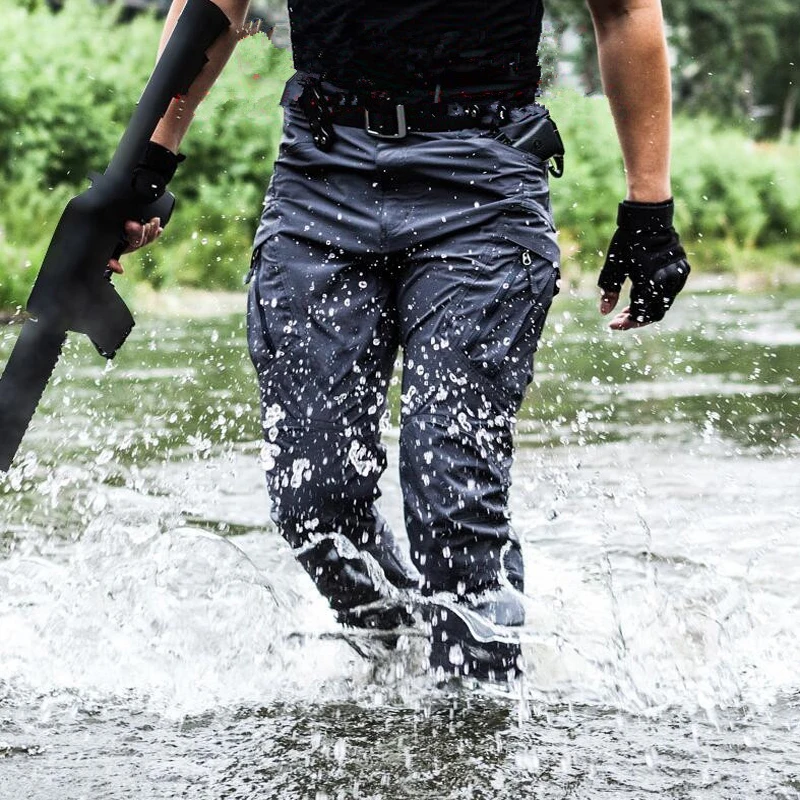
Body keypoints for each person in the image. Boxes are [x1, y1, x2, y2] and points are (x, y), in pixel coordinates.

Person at [119, 0, 690, 681]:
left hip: (486, 177)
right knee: (313, 495)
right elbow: (215, 9)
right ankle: (403, 651)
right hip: (321, 170)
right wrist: (146, 163)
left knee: (452, 485)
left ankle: (474, 724)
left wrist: (649, 207)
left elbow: (626, 11)